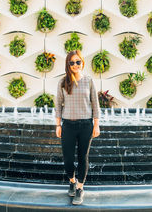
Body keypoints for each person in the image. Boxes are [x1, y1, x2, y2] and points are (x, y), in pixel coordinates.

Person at [55, 50, 100, 205]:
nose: (75, 65)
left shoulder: (89, 80)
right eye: (72, 62)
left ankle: (80, 188)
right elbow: (58, 104)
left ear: (82, 62)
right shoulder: (62, 81)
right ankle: (72, 180)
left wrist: (96, 124)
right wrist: (58, 124)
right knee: (68, 160)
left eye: (77, 62)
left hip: (85, 125)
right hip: (68, 125)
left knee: (83, 158)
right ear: (68, 64)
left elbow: (95, 103)